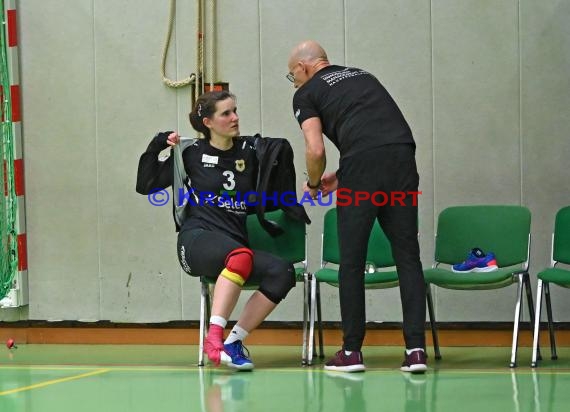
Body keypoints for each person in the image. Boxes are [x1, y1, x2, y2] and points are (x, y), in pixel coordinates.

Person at [287, 40, 427, 373]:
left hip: (363, 166)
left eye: (292, 75)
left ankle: (351, 352)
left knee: (351, 259)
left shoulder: (305, 93)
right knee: (408, 255)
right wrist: (344, 174)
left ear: (303, 68)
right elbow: (376, 135)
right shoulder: (362, 75)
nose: (293, 81)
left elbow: (315, 150)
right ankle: (416, 351)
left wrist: (312, 182)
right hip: (401, 156)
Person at [136, 90, 298, 370]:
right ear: (208, 122)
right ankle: (212, 340)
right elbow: (146, 185)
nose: (235, 118)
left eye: (235, 110)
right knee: (240, 256)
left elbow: (274, 184)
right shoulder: (190, 154)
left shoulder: (249, 153)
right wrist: (156, 145)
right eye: (226, 113)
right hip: (196, 241)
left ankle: (234, 341)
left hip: (236, 247)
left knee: (283, 271)